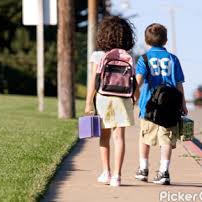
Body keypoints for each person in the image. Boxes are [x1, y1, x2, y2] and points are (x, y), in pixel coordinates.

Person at [134, 23, 188, 185]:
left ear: (146, 40)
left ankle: (143, 169)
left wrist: (134, 98)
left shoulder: (144, 59)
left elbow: (138, 82)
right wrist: (183, 105)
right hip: (171, 106)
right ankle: (164, 172)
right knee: (166, 139)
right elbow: (179, 84)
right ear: (165, 41)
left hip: (149, 106)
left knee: (145, 137)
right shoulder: (173, 59)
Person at [85, 16, 135, 187]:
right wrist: (135, 97)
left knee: (104, 137)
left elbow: (93, 81)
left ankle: (105, 172)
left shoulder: (98, 55)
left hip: (103, 98)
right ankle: (117, 176)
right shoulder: (127, 56)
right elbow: (133, 80)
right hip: (122, 99)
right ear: (126, 36)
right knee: (119, 138)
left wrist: (88, 103)